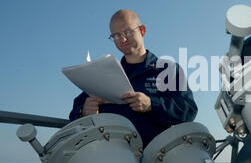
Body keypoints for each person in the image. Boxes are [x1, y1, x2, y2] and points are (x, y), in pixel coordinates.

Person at [69, 9, 198, 148]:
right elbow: (75, 111)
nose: (123, 39)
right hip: (110, 154)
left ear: (142, 30)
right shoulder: (104, 73)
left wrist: (151, 105)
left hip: (155, 158)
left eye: (128, 32)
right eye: (116, 36)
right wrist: (83, 111)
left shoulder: (168, 70)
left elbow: (188, 110)